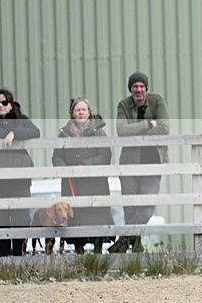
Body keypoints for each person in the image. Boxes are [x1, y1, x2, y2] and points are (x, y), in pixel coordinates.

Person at [108, 72, 170, 253]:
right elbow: (121, 131)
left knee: (147, 206)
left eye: (142, 86)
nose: (139, 89)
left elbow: (165, 128)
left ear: (146, 88)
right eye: (135, 86)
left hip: (153, 162)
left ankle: (125, 239)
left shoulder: (157, 101)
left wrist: (136, 132)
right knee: (130, 207)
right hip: (130, 163)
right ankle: (136, 245)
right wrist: (148, 124)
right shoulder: (123, 105)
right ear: (131, 89)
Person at [52, 98, 114, 254]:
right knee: (75, 218)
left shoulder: (99, 132)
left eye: (83, 109)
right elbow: (57, 157)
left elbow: (105, 155)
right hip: (72, 183)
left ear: (89, 112)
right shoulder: (64, 134)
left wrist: (85, 165)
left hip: (95, 185)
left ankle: (98, 254)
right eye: (77, 110)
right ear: (72, 113)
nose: (80, 112)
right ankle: (79, 254)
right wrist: (67, 170)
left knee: (97, 218)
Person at [0, 89, 40, 256]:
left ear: (11, 105)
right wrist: (7, 133)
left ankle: (19, 255)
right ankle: (4, 258)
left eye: (4, 102)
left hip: (19, 181)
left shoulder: (21, 120)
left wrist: (15, 133)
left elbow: (35, 132)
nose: (0, 105)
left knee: (21, 218)